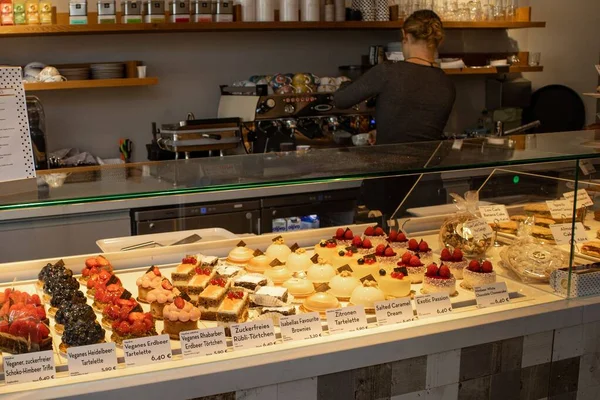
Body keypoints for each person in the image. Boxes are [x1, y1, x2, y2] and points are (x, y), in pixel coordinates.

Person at [334, 9, 456, 145]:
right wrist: (381, 133)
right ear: (439, 40)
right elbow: (417, 130)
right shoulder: (446, 83)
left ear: (405, 36)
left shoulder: (388, 71)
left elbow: (340, 100)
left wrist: (345, 83)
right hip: (430, 164)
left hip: (390, 164)